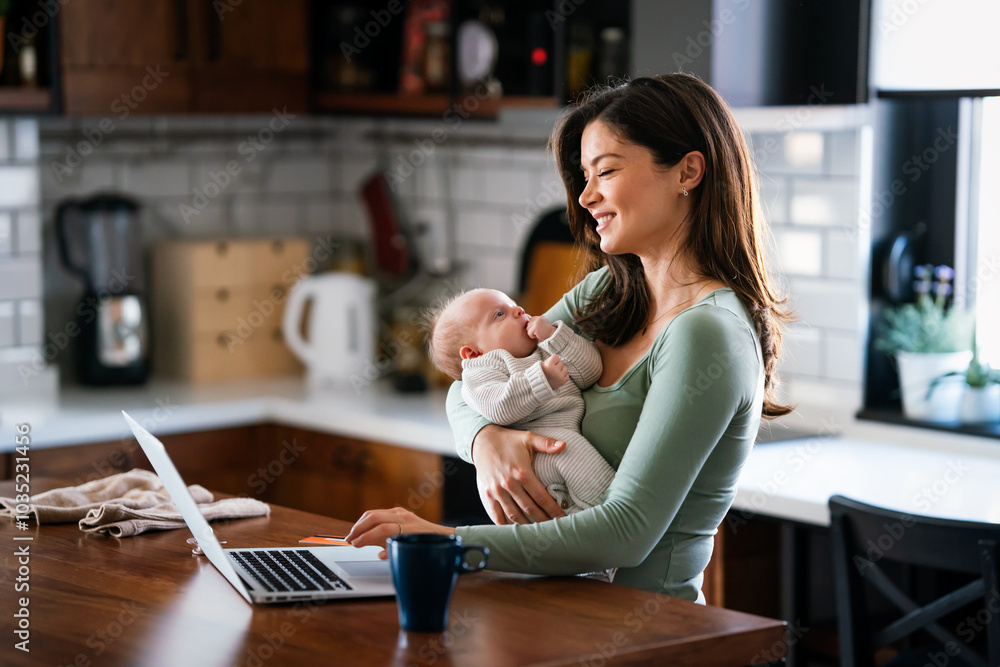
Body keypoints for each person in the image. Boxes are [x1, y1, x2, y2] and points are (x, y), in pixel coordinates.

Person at [347, 73, 793, 603]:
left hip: (649, 639)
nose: (585, 196)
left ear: (687, 172)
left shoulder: (706, 333)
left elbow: (625, 533)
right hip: (558, 619)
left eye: (605, 171)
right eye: (583, 176)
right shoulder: (607, 291)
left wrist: (445, 542)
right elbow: (467, 385)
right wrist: (487, 441)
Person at [425, 287, 616, 516]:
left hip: (557, 448)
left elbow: (592, 372)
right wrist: (541, 379)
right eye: (499, 314)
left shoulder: (542, 347)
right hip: (534, 456)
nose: (518, 310)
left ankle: (602, 521)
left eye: (513, 305)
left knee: (573, 517)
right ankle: (617, 511)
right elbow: (498, 407)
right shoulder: (482, 369)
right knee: (570, 451)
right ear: (474, 353)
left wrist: (555, 337)